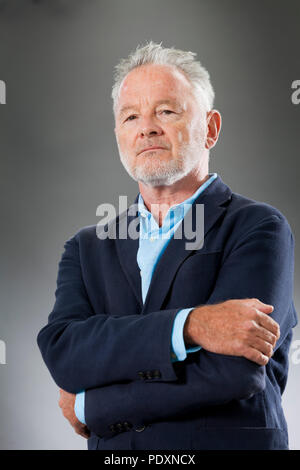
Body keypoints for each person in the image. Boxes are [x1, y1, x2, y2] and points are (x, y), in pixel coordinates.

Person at [37, 41, 297, 450]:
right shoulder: (86, 247)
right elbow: (65, 354)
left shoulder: (259, 227)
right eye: (130, 116)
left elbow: (233, 372)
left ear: (210, 129)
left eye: (166, 111)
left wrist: (91, 406)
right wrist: (192, 326)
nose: (147, 127)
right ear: (119, 134)